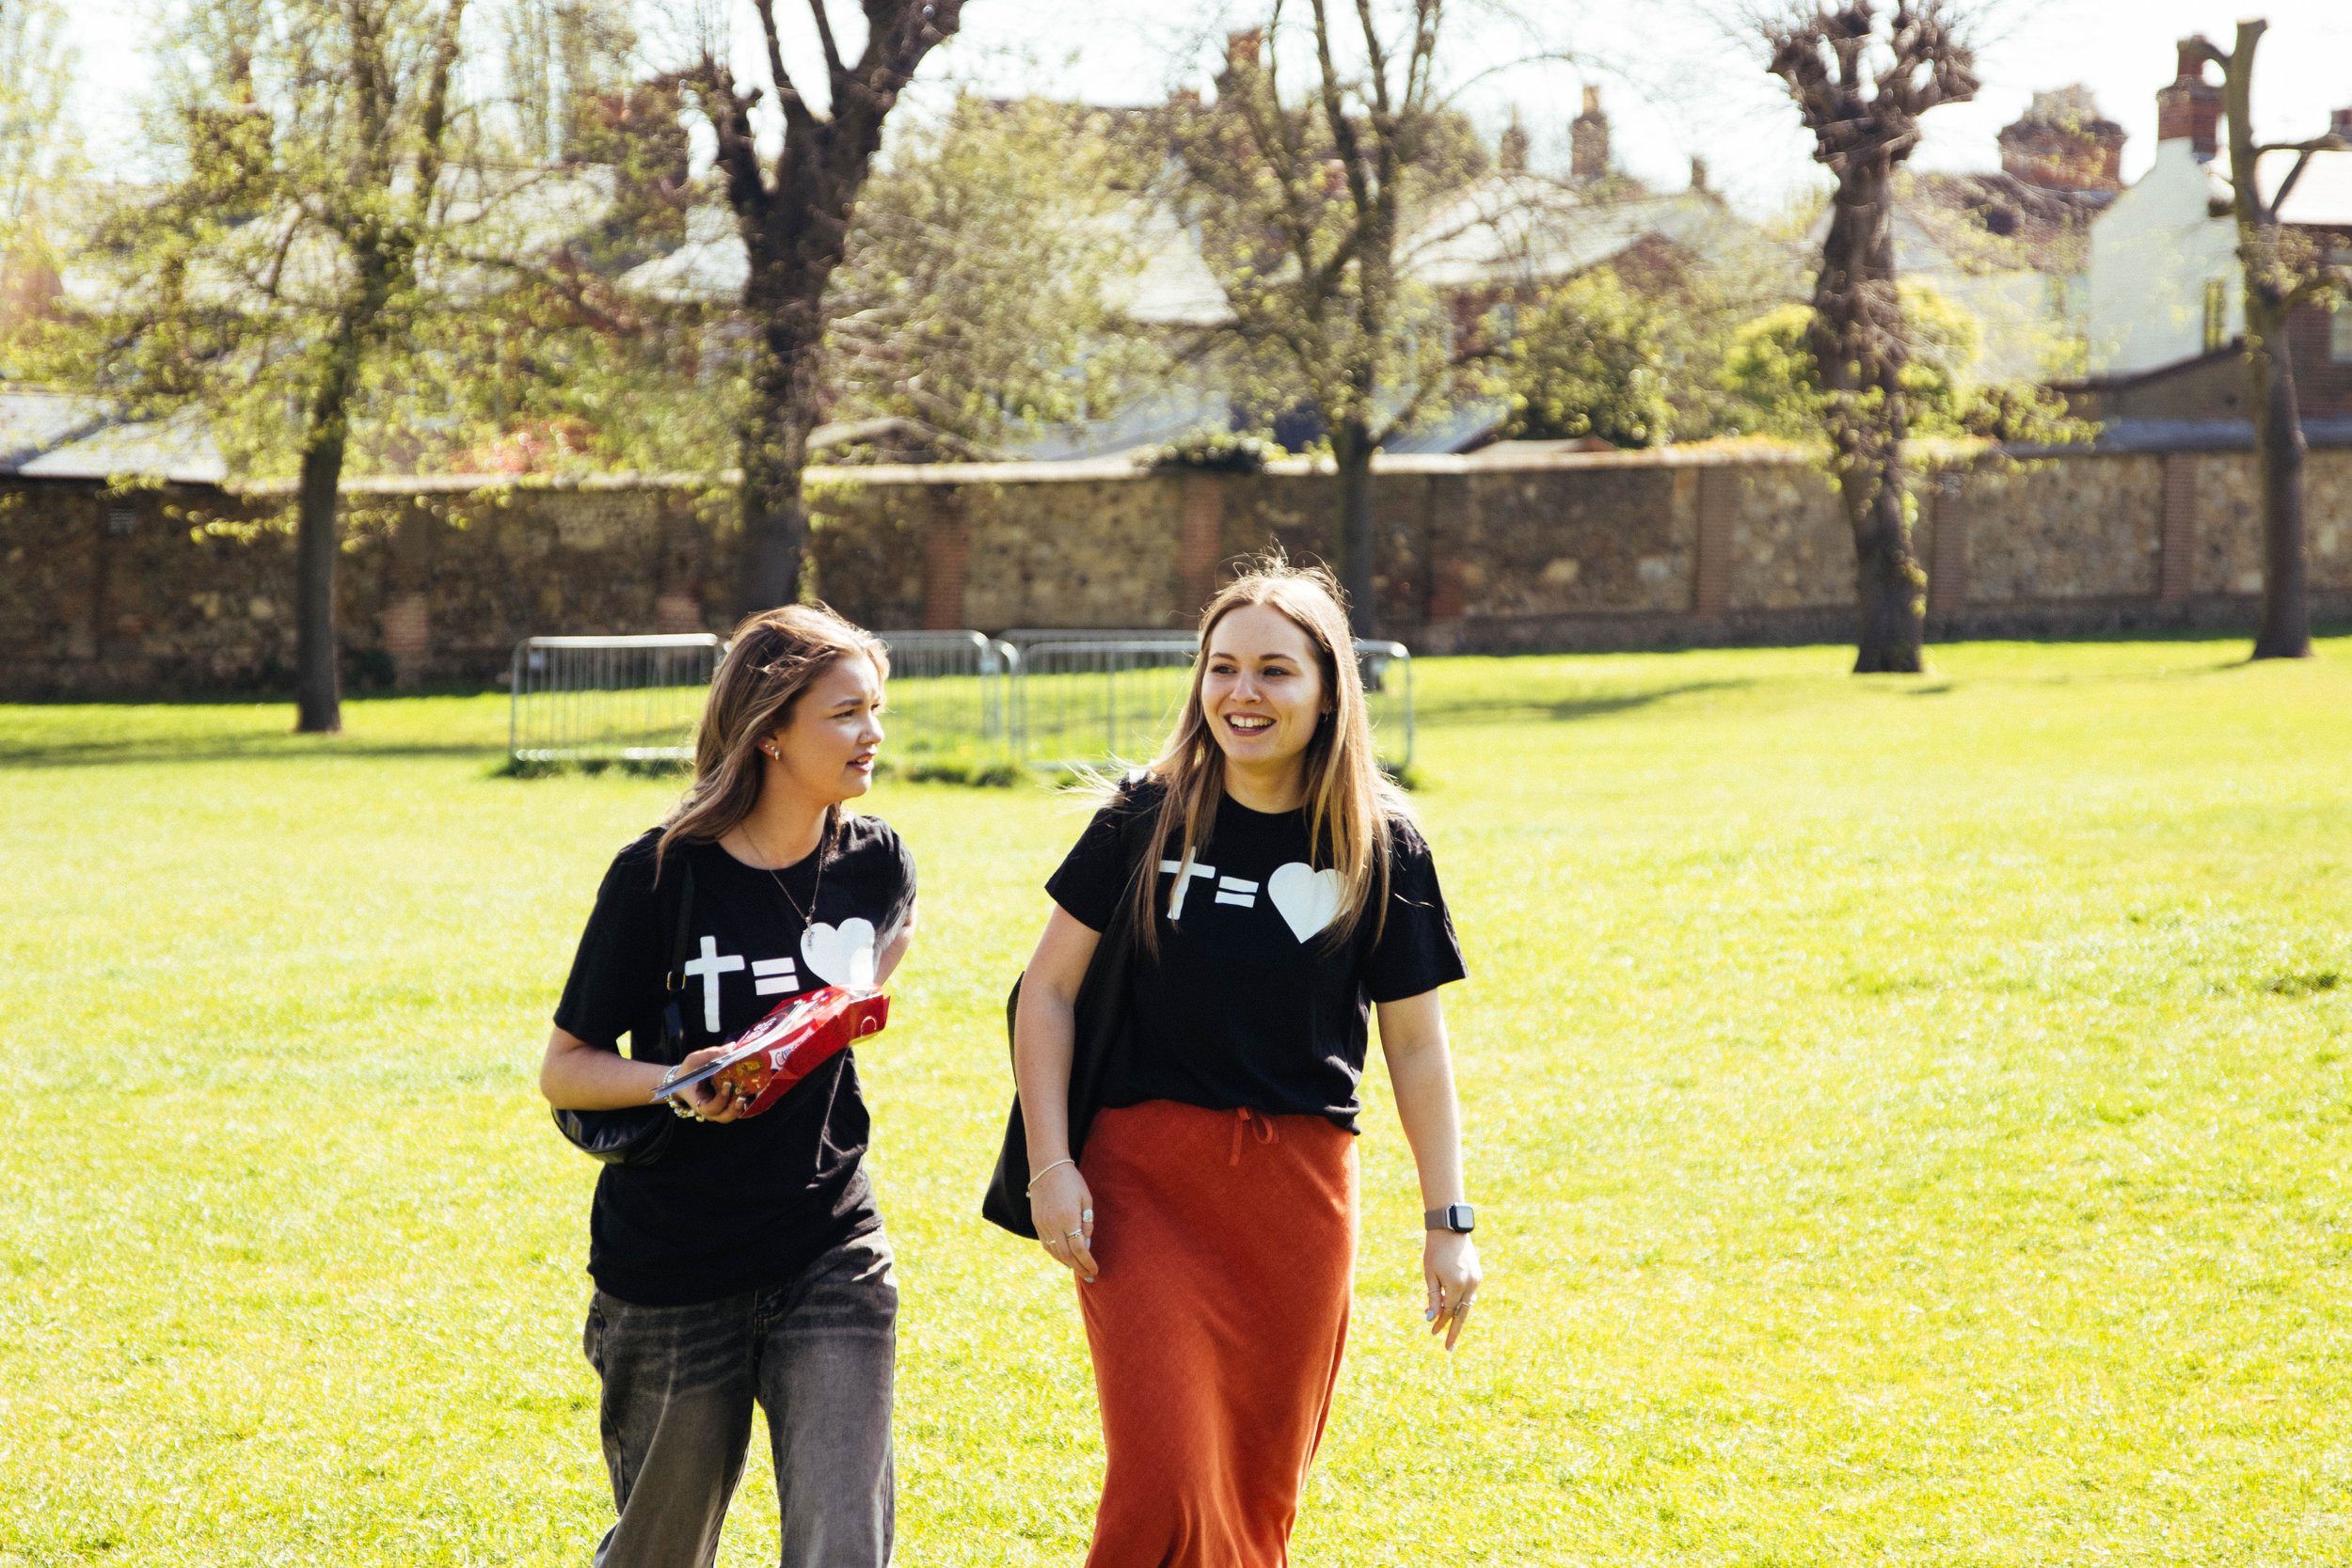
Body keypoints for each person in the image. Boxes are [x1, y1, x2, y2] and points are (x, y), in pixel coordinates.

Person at [1013, 559, 1482, 1567]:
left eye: (1274, 671)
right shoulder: (1145, 818)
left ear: (1327, 689)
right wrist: (1051, 1166)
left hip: (1296, 1199)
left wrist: (1448, 1223)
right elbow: (1042, 993)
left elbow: (1414, 1041)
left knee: (1258, 1494)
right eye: (1221, 667)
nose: (1241, 693)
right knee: (1167, 1479)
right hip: (1141, 1184)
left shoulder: (1381, 840)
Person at [539, 605, 916, 1568]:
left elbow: (857, 995)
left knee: (843, 1544)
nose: (872, 733)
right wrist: (681, 1078)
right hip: (674, 1262)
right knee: (661, 1549)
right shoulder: (660, 876)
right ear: (771, 729)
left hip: (828, 1243)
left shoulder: (876, 866)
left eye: (876, 708)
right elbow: (566, 1064)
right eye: (844, 713)